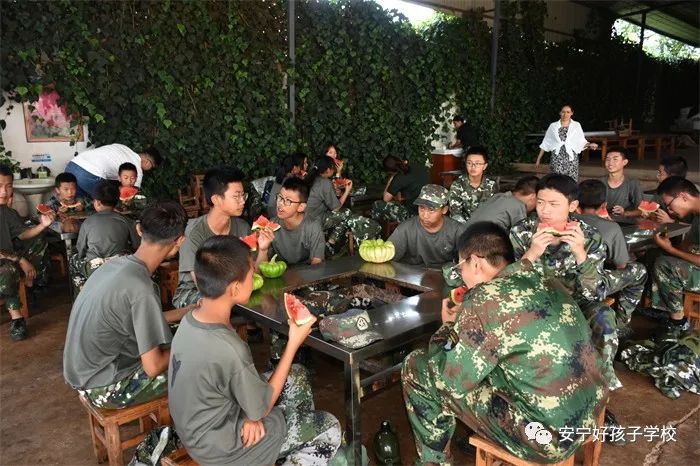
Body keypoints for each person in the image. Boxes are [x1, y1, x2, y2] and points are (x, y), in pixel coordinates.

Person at [402, 222, 606, 464]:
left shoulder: (486, 297)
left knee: (417, 367)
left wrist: (447, 327)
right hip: (590, 411)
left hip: (547, 438)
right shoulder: (547, 280)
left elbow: (449, 381)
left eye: (460, 267)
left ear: (475, 263)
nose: (462, 276)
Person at [168, 235, 341, 465]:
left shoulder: (191, 320)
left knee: (297, 375)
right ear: (235, 288)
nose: (255, 276)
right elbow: (261, 408)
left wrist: (251, 415)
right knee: (329, 426)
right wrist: (293, 343)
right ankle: (279, 447)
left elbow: (225, 383)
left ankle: (283, 449)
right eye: (251, 272)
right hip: (223, 448)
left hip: (198, 429)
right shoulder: (229, 348)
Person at [63, 201, 193, 408]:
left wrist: (186, 311)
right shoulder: (141, 287)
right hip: (105, 387)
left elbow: (141, 321)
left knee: (186, 330)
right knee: (202, 357)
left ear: (139, 229)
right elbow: (153, 367)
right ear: (180, 240)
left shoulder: (113, 266)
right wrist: (191, 345)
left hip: (84, 374)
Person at [509, 174, 621, 391]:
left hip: (578, 303)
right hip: (536, 304)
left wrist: (580, 254)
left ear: (572, 206)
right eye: (540, 202)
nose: (545, 210)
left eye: (554, 204)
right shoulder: (521, 232)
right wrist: (532, 253)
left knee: (604, 315)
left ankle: (600, 383)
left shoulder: (589, 236)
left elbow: (595, 293)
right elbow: (511, 284)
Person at [173, 167, 268, 308]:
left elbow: (255, 274)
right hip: (194, 292)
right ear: (216, 199)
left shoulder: (242, 227)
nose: (242, 201)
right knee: (213, 302)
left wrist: (264, 249)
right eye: (236, 196)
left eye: (243, 195)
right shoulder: (193, 233)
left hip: (234, 287)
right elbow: (203, 286)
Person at [576, 179, 647, 333]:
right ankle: (621, 325)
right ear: (604, 205)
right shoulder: (610, 227)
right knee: (639, 270)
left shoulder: (568, 221)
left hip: (564, 280)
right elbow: (621, 265)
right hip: (592, 284)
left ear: (576, 203)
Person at [0, 164, 55, 341]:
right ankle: (17, 318)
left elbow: (22, 234)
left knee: (39, 240)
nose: (4, 192)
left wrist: (43, 225)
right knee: (8, 269)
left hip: (7, 257)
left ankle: (32, 285)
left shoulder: (6, 212)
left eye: (8, 186)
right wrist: (20, 259)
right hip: (5, 263)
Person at [650, 176, 700, 336]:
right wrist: (668, 246)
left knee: (664, 264)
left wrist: (672, 250)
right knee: (656, 254)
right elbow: (687, 246)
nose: (670, 211)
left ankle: (678, 322)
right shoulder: (697, 215)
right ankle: (664, 309)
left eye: (670, 205)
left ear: (683, 197)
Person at [305, 156, 380, 256]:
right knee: (346, 213)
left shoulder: (309, 179)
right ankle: (332, 243)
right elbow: (336, 208)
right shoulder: (325, 182)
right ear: (328, 170)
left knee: (345, 216)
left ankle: (331, 243)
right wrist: (347, 191)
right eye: (333, 167)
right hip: (315, 220)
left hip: (305, 217)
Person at [70, 180, 140, 286]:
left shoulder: (88, 221)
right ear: (117, 201)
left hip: (95, 268)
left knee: (73, 259)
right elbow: (136, 245)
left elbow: (81, 250)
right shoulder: (126, 220)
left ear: (97, 202)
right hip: (121, 266)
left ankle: (82, 288)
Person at [388, 184, 467, 268]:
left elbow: (466, 262)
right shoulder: (405, 229)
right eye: (422, 208)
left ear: (444, 210)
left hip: (443, 273)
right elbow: (387, 258)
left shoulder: (457, 230)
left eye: (431, 210)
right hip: (412, 273)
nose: (425, 215)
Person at [264, 177, 324, 266]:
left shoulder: (313, 227)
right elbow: (263, 263)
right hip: (280, 271)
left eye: (288, 200)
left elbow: (317, 262)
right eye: (280, 197)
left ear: (301, 207)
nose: (280, 203)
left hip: (306, 272)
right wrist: (262, 249)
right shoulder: (271, 225)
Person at [65, 143, 161, 197]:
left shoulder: (124, 147)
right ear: (147, 163)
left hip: (71, 166)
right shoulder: (136, 169)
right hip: (89, 174)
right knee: (108, 203)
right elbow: (131, 194)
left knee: (78, 204)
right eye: (151, 167)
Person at [535, 104, 598, 181]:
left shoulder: (576, 125)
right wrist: (538, 159)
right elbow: (546, 143)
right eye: (563, 112)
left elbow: (581, 141)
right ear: (560, 113)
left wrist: (590, 144)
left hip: (571, 159)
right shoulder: (553, 126)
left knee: (571, 181)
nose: (565, 114)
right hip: (557, 158)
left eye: (568, 112)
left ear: (572, 113)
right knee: (556, 180)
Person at [466, 175, 539, 231]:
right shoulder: (518, 206)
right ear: (533, 196)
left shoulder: (498, 196)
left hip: (465, 237)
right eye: (539, 201)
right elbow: (522, 235)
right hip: (480, 242)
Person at [371, 155, 430, 224]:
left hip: (413, 214)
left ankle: (377, 227)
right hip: (428, 209)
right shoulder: (418, 166)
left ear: (390, 171)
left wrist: (391, 178)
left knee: (377, 204)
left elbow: (385, 199)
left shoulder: (398, 177)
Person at [448, 146, 496, 223]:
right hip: (462, 225)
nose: (473, 167)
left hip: (484, 225)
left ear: (485, 166)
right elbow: (455, 213)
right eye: (469, 163)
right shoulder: (458, 185)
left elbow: (494, 210)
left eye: (477, 163)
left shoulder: (491, 185)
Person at [600, 146, 642, 217]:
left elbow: (641, 211)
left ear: (625, 162)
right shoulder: (599, 182)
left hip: (624, 222)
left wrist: (624, 213)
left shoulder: (632, 184)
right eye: (608, 159)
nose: (610, 163)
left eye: (615, 159)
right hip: (602, 221)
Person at [649, 155, 689, 225]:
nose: (657, 176)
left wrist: (670, 221)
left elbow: (695, 227)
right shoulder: (661, 191)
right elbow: (651, 209)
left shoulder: (692, 196)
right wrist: (650, 214)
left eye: (660, 173)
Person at [266, 152, 308, 218]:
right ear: (294, 168)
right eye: (304, 163)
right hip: (278, 213)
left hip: (271, 210)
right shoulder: (290, 181)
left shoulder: (282, 176)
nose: (307, 165)